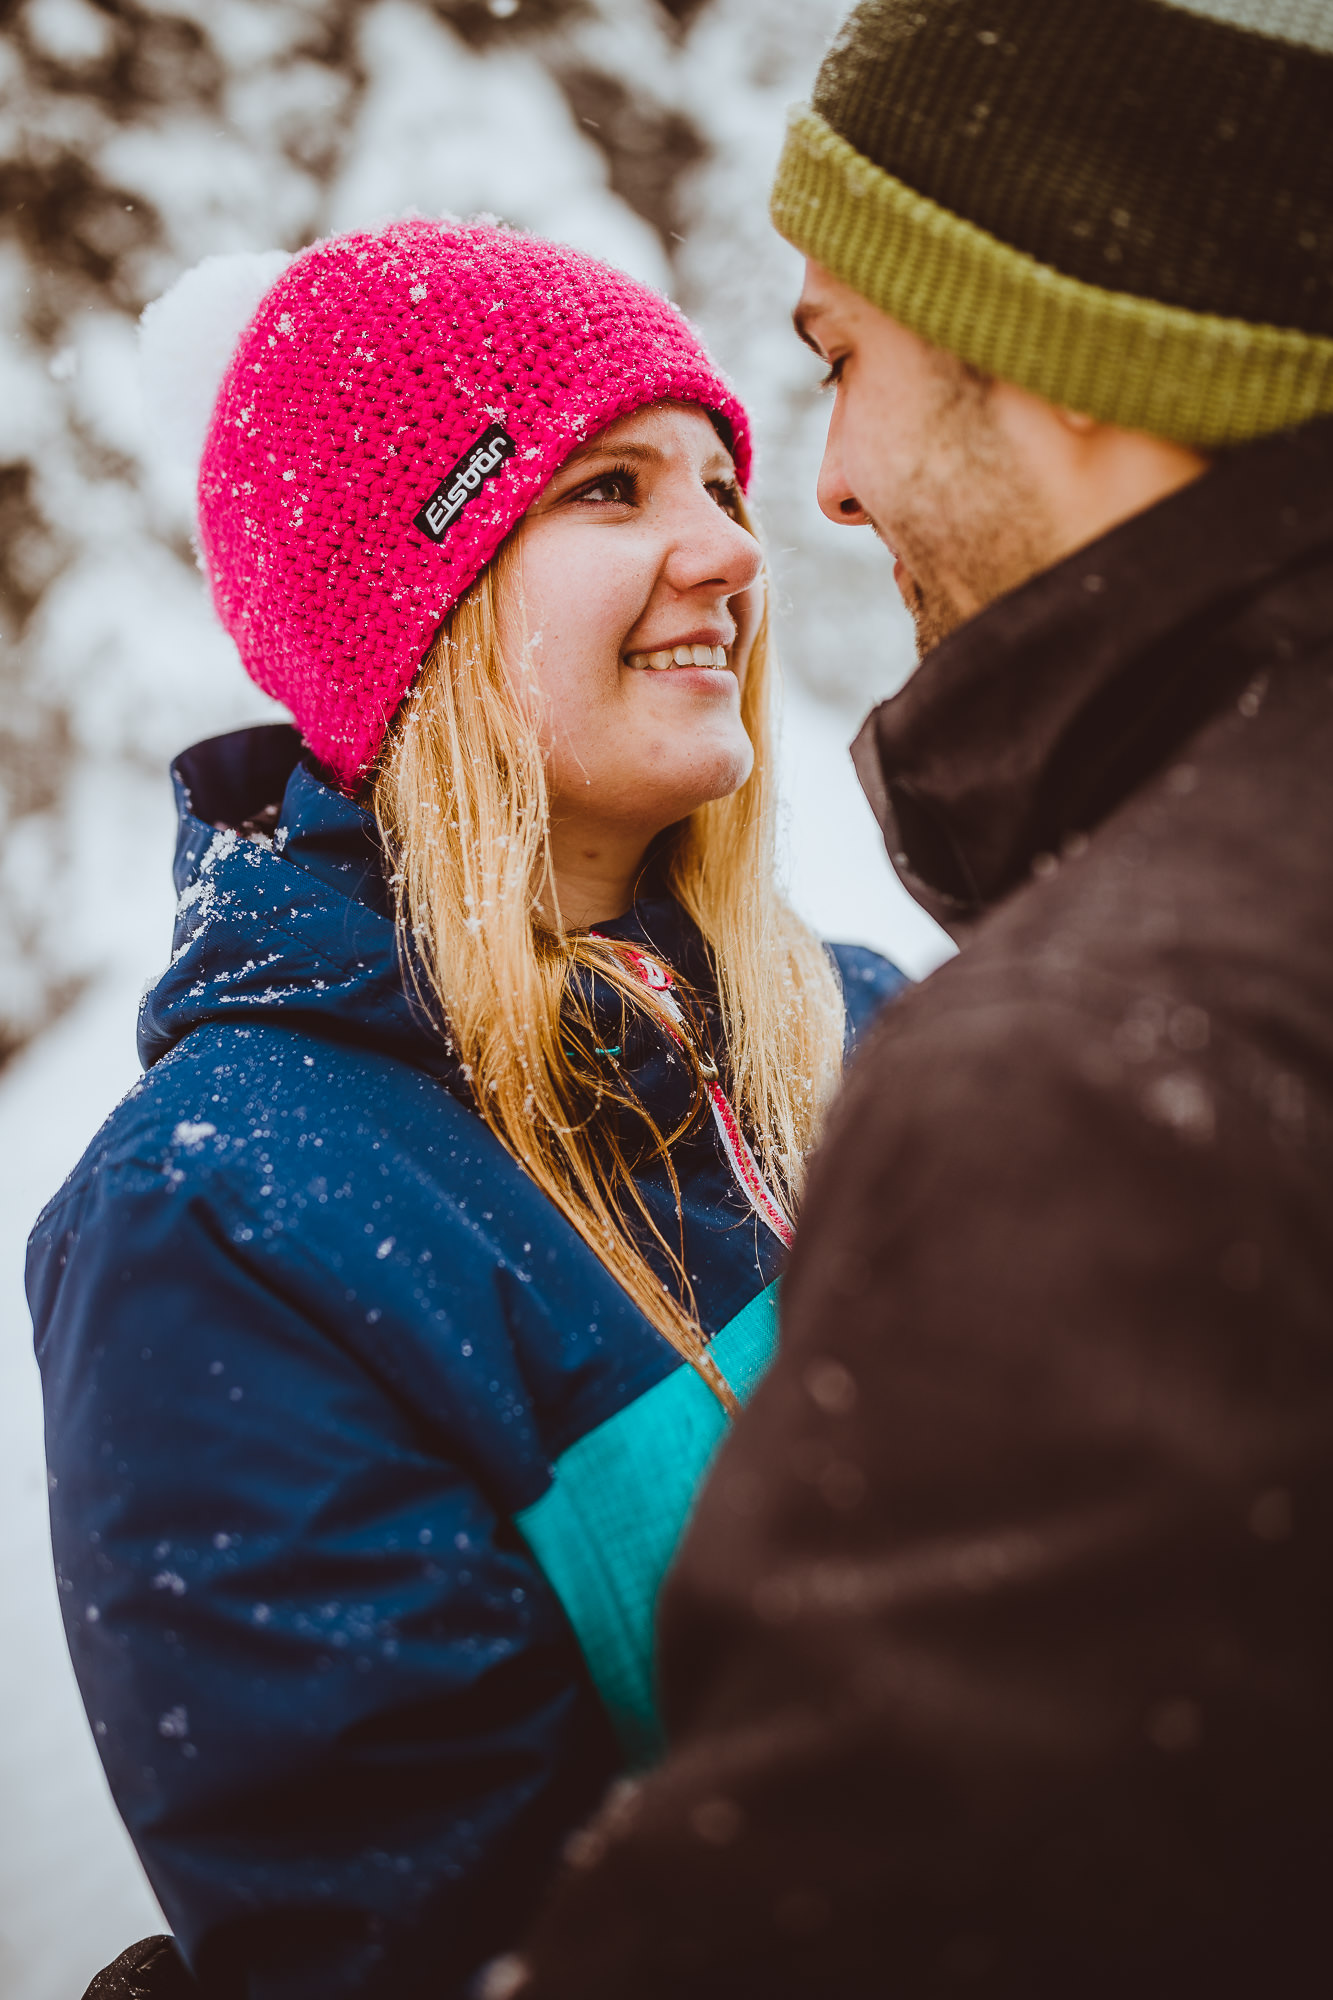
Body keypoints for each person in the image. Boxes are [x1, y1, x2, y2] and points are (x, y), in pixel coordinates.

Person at [504, 2, 1333, 1995]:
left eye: (831, 366)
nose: (808, 503)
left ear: (1069, 339)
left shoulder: (1110, 1062)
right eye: (607, 492)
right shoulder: (212, 1214)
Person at [27, 218, 905, 2000]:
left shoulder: (862, 1020)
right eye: (608, 487)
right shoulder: (225, 1218)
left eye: (721, 479)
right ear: (405, 590)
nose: (731, 546)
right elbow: (451, 1940)